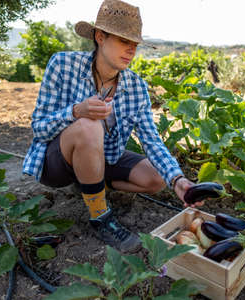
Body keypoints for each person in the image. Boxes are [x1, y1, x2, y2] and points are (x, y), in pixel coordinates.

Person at [22, 0, 203, 253]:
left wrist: (178, 179)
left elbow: (151, 140)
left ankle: (90, 186)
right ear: (100, 37)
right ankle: (100, 217)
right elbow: (39, 129)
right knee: (89, 126)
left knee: (156, 177)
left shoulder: (136, 87)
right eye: (123, 41)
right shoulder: (62, 65)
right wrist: (76, 112)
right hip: (58, 164)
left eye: (134, 45)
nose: (131, 50)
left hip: (104, 158)